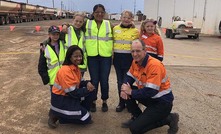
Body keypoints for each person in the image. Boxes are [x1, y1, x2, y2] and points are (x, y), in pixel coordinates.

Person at [120, 39, 179, 134]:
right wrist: (124, 88)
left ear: (144, 50)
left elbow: (151, 91)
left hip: (162, 103)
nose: (135, 54)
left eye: (138, 51)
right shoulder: (135, 62)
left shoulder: (154, 65)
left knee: (135, 129)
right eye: (133, 51)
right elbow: (129, 76)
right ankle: (138, 117)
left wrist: (130, 91)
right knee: (124, 91)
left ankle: (169, 118)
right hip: (150, 98)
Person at [50, 45, 95, 127]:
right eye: (76, 56)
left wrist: (88, 83)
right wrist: (88, 89)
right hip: (61, 100)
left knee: (92, 90)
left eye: (80, 56)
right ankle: (62, 118)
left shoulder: (75, 67)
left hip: (67, 97)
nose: (79, 58)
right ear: (70, 57)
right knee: (86, 118)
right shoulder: (65, 70)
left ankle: (77, 111)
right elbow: (73, 93)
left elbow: (81, 82)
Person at [84, 4, 113, 112]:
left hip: (106, 56)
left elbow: (120, 32)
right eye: (97, 12)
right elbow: (74, 27)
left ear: (104, 13)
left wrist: (131, 25)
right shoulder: (87, 23)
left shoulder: (109, 24)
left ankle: (104, 101)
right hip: (92, 57)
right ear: (93, 13)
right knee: (94, 80)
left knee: (104, 81)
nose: (99, 14)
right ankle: (93, 101)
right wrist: (64, 24)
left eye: (101, 12)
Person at [38, 25, 65, 128]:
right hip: (53, 78)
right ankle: (52, 117)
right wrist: (46, 78)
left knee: (64, 96)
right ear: (49, 35)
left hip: (64, 77)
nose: (56, 36)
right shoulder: (45, 47)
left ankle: (62, 115)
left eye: (57, 34)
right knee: (55, 98)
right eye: (53, 34)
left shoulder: (63, 43)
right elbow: (41, 65)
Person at [113, 10, 139, 112]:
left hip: (130, 59)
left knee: (128, 81)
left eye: (128, 18)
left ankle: (129, 102)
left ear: (132, 19)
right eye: (124, 17)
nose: (126, 19)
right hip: (118, 59)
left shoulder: (136, 31)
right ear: (121, 18)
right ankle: (121, 102)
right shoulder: (114, 29)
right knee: (119, 81)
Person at [62, 12, 87, 76]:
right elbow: (54, 39)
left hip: (81, 63)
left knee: (79, 83)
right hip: (70, 62)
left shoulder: (84, 32)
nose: (78, 23)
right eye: (76, 21)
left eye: (80, 22)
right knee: (70, 83)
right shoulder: (67, 30)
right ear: (73, 20)